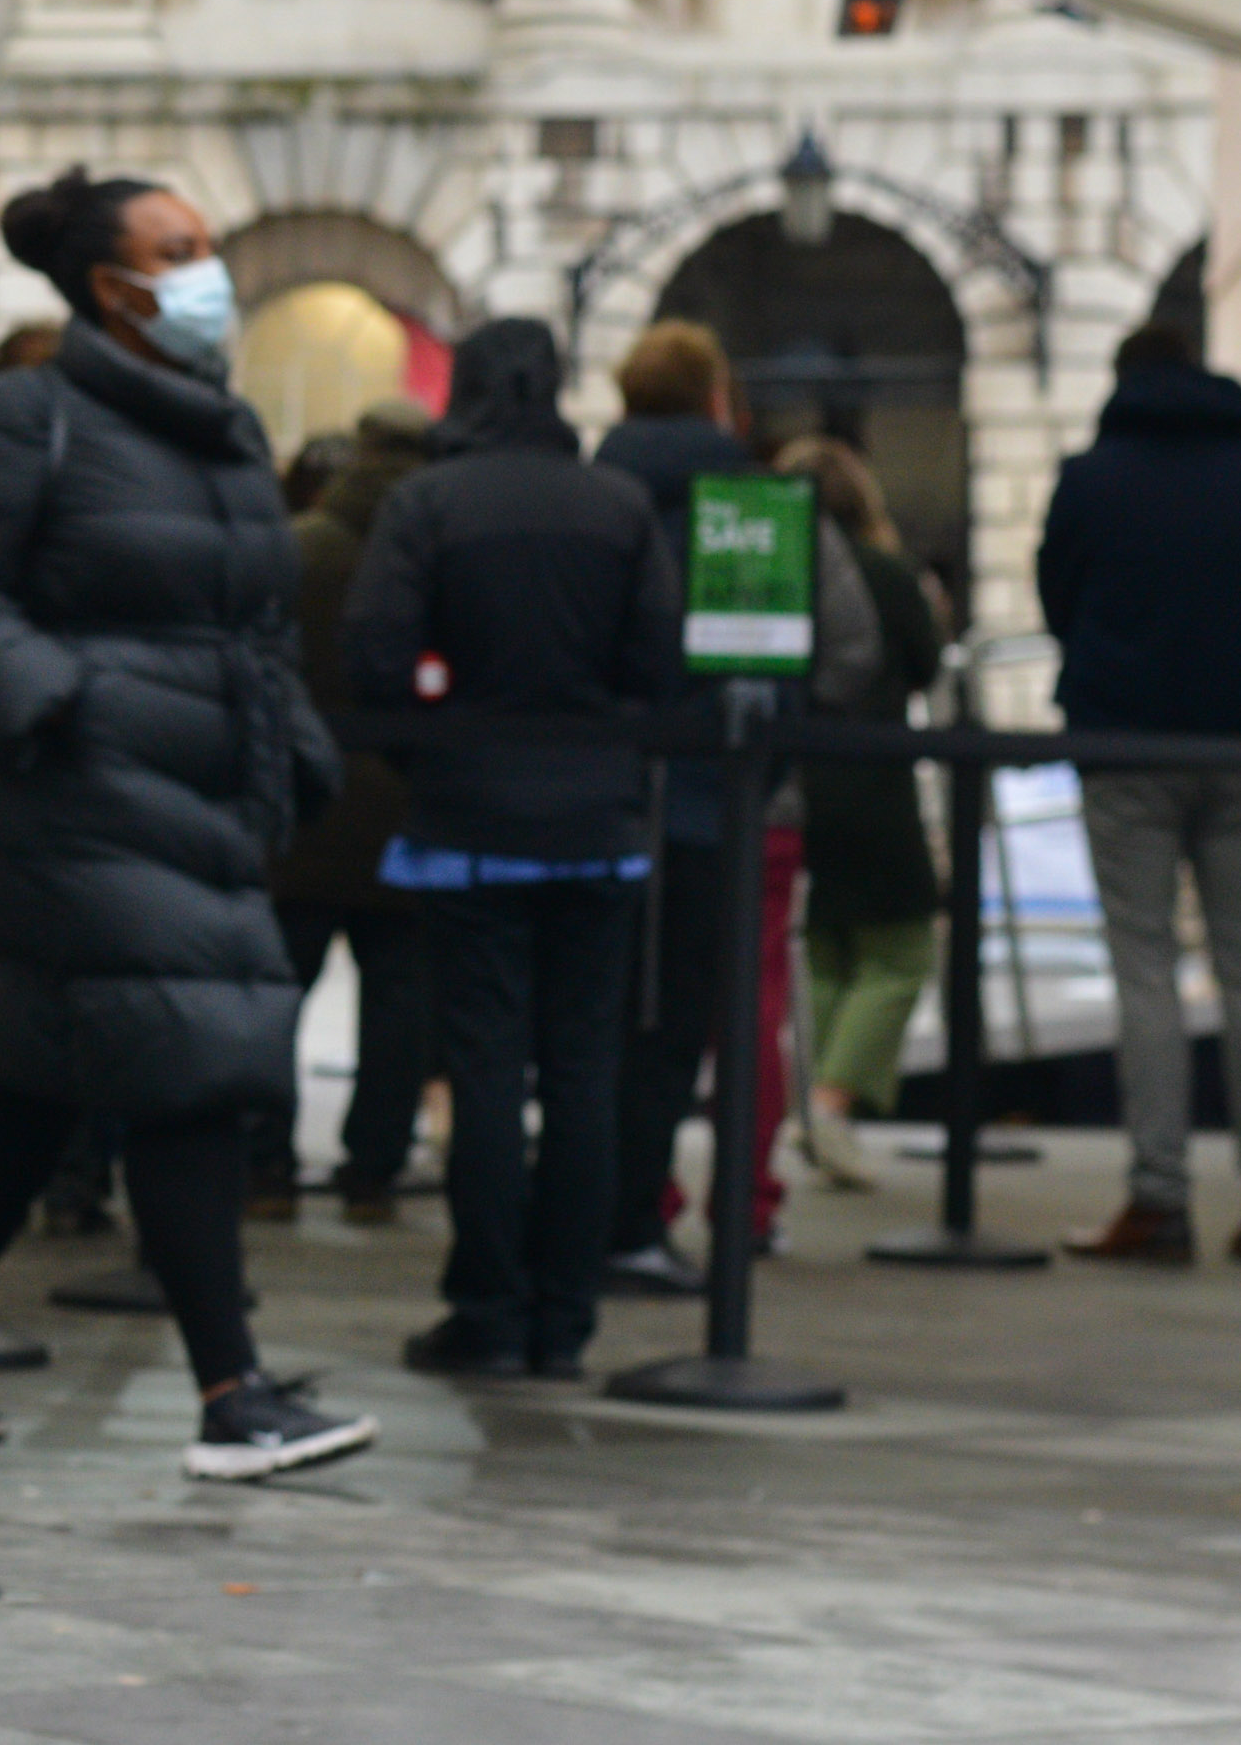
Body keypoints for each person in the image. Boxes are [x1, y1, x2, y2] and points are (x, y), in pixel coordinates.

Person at [0, 168, 374, 1479]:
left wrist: (292, 741)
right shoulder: (25, 415)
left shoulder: (226, 431)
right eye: (178, 249)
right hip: (67, 797)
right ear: (110, 285)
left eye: (203, 246)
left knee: (35, 1082)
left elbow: (253, 618)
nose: (209, 273)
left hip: (194, 792)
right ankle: (230, 1393)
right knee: (181, 1059)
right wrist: (58, 699)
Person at [347, 317, 681, 1379]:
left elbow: (374, 657)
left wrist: (432, 757)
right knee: (583, 1071)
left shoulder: (426, 504)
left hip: (466, 822)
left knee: (485, 1070)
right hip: (596, 828)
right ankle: (561, 1319)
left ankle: (486, 1310)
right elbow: (661, 666)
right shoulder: (618, 505)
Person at [593, 322, 880, 1295]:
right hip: (735, 797)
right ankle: (737, 1205)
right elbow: (852, 648)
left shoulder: (596, 497)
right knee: (736, 1010)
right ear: (720, 402)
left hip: (605, 798)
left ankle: (620, 1207)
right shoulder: (758, 507)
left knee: (604, 1016)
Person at [1037, 321, 1241, 1268]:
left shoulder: (1092, 480)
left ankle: (1159, 1200)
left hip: (1127, 745)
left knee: (1144, 968)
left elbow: (1056, 599)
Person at [262, 396, 438, 1223]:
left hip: (301, 805)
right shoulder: (435, 552)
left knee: (277, 994)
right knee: (399, 1002)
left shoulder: (298, 549)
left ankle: (265, 1167)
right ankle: (372, 1169)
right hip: (409, 806)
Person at [780, 437, 942, 1193]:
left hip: (791, 778)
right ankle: (829, 1104)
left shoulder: (776, 568)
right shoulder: (883, 573)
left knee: (826, 952)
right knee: (903, 952)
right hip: (873, 783)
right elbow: (926, 661)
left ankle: (814, 1103)